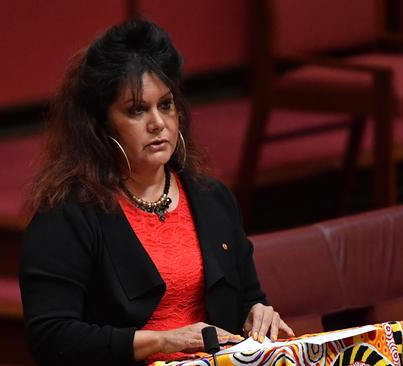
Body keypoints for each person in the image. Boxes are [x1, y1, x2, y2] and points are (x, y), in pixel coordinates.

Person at [19, 19, 294, 365]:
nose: (158, 123)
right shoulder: (65, 215)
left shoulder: (212, 198)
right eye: (137, 110)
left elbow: (247, 298)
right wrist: (162, 341)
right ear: (100, 126)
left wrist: (257, 313)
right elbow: (52, 337)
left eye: (165, 105)